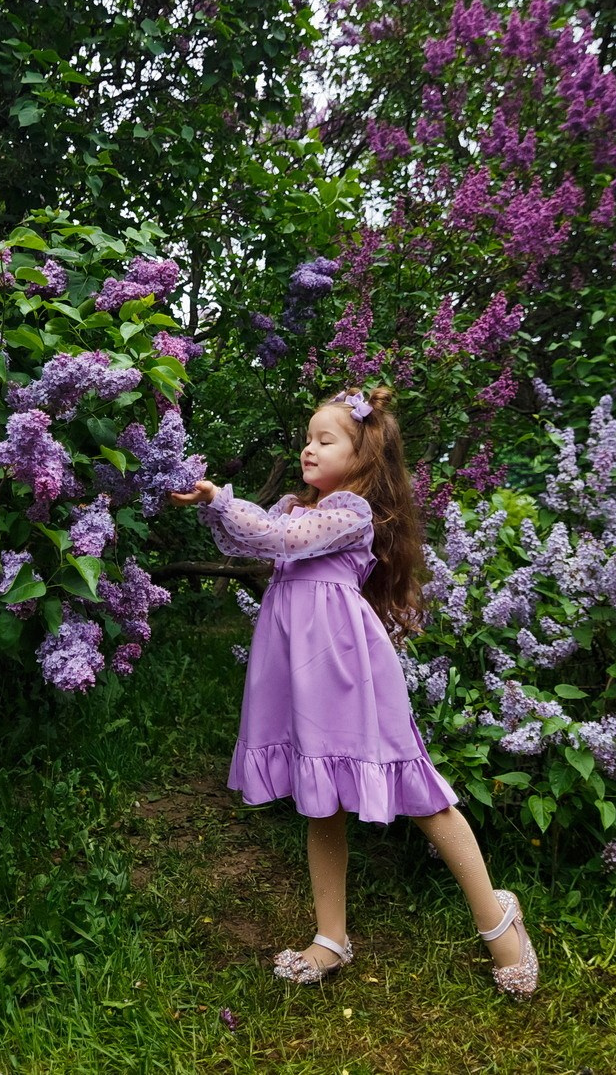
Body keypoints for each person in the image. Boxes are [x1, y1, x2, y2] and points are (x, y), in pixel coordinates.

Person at [166, 384, 538, 996]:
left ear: (362, 458)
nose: (308, 449)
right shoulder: (294, 507)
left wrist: (222, 500)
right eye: (307, 438)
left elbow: (279, 540)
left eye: (324, 439)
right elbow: (249, 537)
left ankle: (498, 918)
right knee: (320, 795)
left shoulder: (350, 514)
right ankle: (331, 937)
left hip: (346, 670)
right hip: (297, 671)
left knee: (419, 793)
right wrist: (214, 506)